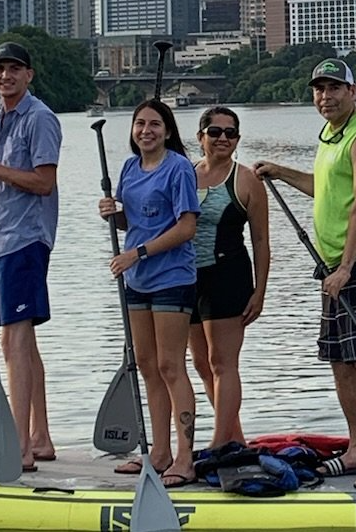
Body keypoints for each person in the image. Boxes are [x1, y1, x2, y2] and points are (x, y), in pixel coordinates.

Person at [253, 58, 356, 489]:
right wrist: (281, 173)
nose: (326, 96)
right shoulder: (329, 136)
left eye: (334, 88)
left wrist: (345, 266)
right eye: (319, 89)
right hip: (334, 266)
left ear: (352, 92)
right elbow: (324, 189)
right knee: (341, 361)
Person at [0, 41, 61, 473]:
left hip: (26, 240)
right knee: (19, 343)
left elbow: (43, 182)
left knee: (15, 342)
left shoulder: (39, 119)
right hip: (0, 239)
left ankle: (19, 448)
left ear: (29, 75)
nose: (6, 75)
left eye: (15, 68)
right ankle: (39, 437)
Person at [98, 98, 201, 487]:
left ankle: (185, 457)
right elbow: (133, 220)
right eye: (140, 124)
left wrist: (137, 252)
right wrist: (112, 212)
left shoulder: (179, 169)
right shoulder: (128, 168)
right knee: (146, 364)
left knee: (171, 366)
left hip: (172, 276)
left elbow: (186, 226)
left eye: (155, 124)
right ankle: (158, 453)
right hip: (137, 279)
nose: (146, 131)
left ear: (168, 131)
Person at [188, 106, 271, 450]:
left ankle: (219, 443)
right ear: (200, 137)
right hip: (189, 280)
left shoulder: (246, 180)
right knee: (201, 364)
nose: (223, 138)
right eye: (215, 132)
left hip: (228, 276)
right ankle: (234, 437)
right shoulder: (185, 174)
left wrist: (260, 291)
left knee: (223, 363)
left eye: (231, 133)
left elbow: (262, 241)